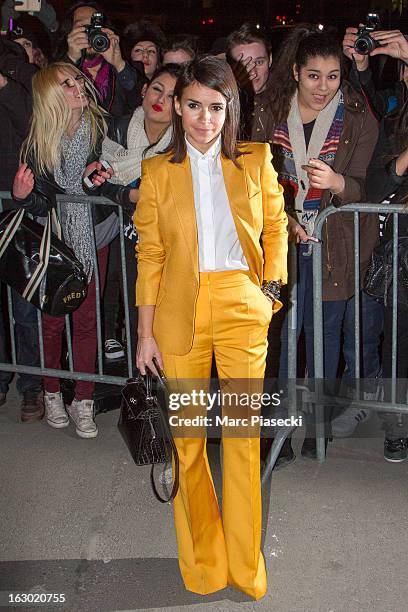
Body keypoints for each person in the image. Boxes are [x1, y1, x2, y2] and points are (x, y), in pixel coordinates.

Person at [134, 56, 288, 600]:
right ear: (178, 106)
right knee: (188, 443)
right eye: (194, 106)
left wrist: (270, 289)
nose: (205, 119)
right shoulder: (157, 173)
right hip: (179, 311)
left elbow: (275, 225)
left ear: (231, 107)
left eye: (216, 107)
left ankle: (246, 566)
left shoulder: (256, 158)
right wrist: (145, 333)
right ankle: (204, 560)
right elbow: (149, 255)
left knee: (244, 440)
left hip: (242, 305)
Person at [267, 27, 378, 459]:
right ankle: (277, 431)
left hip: (331, 243)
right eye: (313, 75)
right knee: (282, 334)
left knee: (325, 337)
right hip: (281, 238)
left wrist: (338, 183)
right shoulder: (272, 110)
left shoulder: (356, 115)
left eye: (333, 76)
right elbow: (256, 175)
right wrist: (286, 215)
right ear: (296, 72)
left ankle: (317, 428)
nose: (323, 86)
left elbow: (365, 184)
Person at [12, 62, 134, 438]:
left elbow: (108, 184)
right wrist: (22, 197)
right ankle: (52, 393)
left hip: (93, 238)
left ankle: (83, 400)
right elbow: (40, 203)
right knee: (50, 321)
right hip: (55, 240)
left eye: (77, 79)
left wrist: (100, 179)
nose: (78, 86)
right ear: (51, 95)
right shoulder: (37, 140)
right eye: (66, 83)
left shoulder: (102, 128)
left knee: (85, 321)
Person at [99, 63, 183, 361]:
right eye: (157, 89)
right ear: (144, 91)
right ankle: (143, 396)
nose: (161, 99)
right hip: (124, 237)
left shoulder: (184, 141)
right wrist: (129, 194)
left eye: (173, 96)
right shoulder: (119, 127)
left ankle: (171, 398)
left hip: (170, 244)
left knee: (170, 324)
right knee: (139, 323)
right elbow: (95, 181)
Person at [0, 37, 44, 422]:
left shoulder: (27, 77)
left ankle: (31, 386)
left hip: (16, 206)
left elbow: (30, 124)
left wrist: (4, 83)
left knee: (23, 305)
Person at [366, 95, 408, 462]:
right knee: (398, 345)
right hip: (404, 255)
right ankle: (396, 426)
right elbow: (374, 189)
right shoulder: (394, 124)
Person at [54, 1, 146, 116]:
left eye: (95, 27)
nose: (91, 34)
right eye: (83, 27)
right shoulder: (56, 69)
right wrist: (71, 59)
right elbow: (51, 101)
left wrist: (119, 64)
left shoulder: (130, 68)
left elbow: (143, 103)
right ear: (69, 33)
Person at [226, 23, 273, 140]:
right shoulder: (221, 104)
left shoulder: (289, 100)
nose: (252, 72)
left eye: (259, 62)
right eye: (243, 65)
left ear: (270, 60)